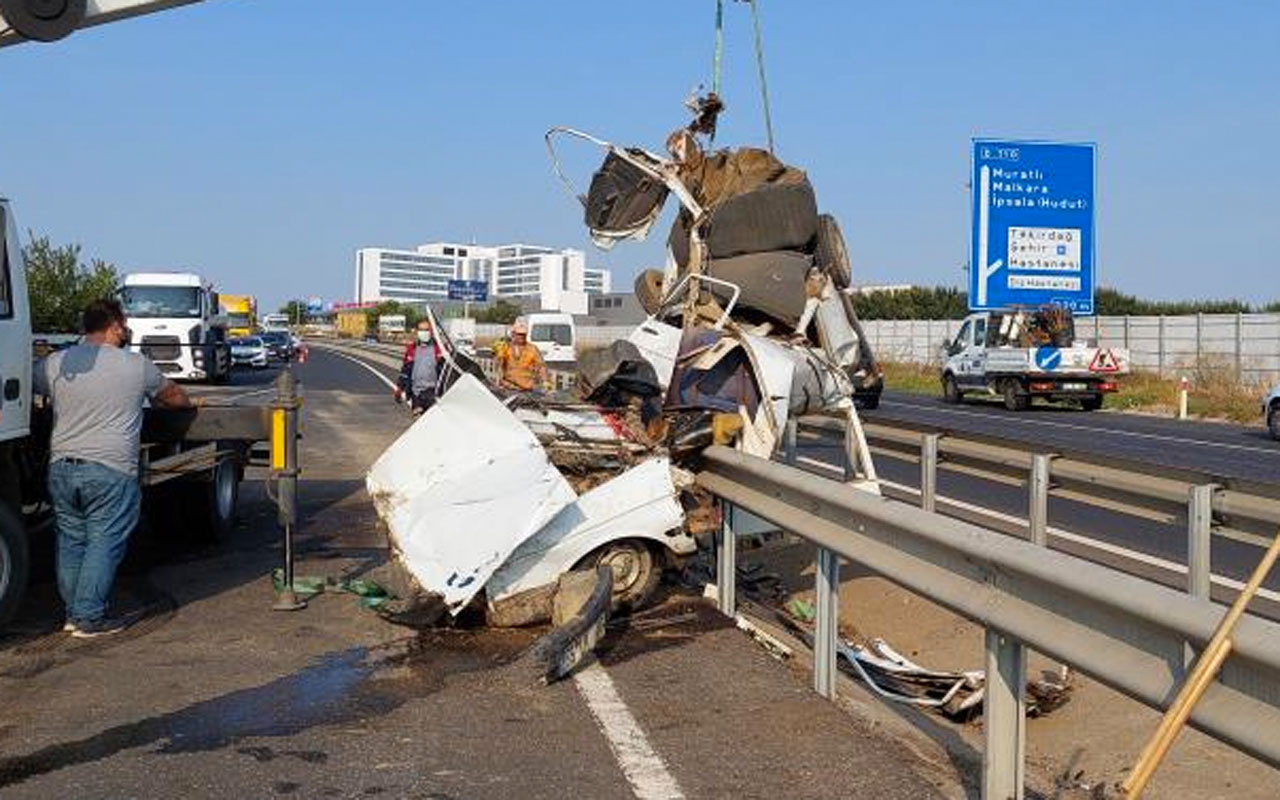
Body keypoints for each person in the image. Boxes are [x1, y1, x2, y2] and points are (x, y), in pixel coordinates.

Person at [33, 298, 193, 637]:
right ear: (115, 325)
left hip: (62, 466)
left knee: (72, 541)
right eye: (123, 325)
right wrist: (189, 402)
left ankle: (74, 614)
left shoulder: (55, 364)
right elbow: (174, 396)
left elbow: (32, 388)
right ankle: (90, 618)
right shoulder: (135, 366)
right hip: (110, 469)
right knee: (103, 541)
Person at [395, 318, 442, 414]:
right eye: (421, 330)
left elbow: (444, 370)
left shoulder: (438, 349)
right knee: (419, 420)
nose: (424, 332)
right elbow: (406, 370)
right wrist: (400, 388)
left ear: (431, 331)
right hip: (416, 394)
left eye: (426, 330)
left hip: (433, 393)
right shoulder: (412, 349)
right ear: (417, 331)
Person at [495, 318, 547, 391]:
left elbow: (541, 366)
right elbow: (499, 365)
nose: (522, 337)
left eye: (523, 335)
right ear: (513, 334)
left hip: (528, 388)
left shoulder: (532, 349)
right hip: (509, 387)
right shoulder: (506, 348)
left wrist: (545, 382)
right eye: (519, 334)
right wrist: (498, 382)